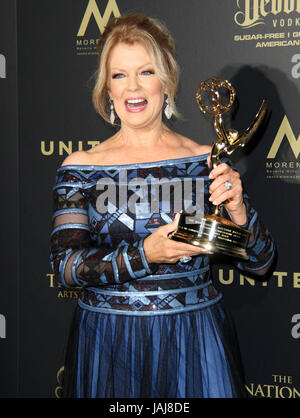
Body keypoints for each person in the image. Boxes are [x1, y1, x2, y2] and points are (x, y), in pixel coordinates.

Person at [50, 12, 275, 398]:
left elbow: (261, 263)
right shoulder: (80, 168)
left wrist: (239, 212)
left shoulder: (204, 160)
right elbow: (66, 268)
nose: (132, 88)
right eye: (119, 75)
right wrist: (146, 254)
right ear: (107, 88)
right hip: (108, 346)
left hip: (194, 341)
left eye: (146, 72)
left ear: (167, 82)